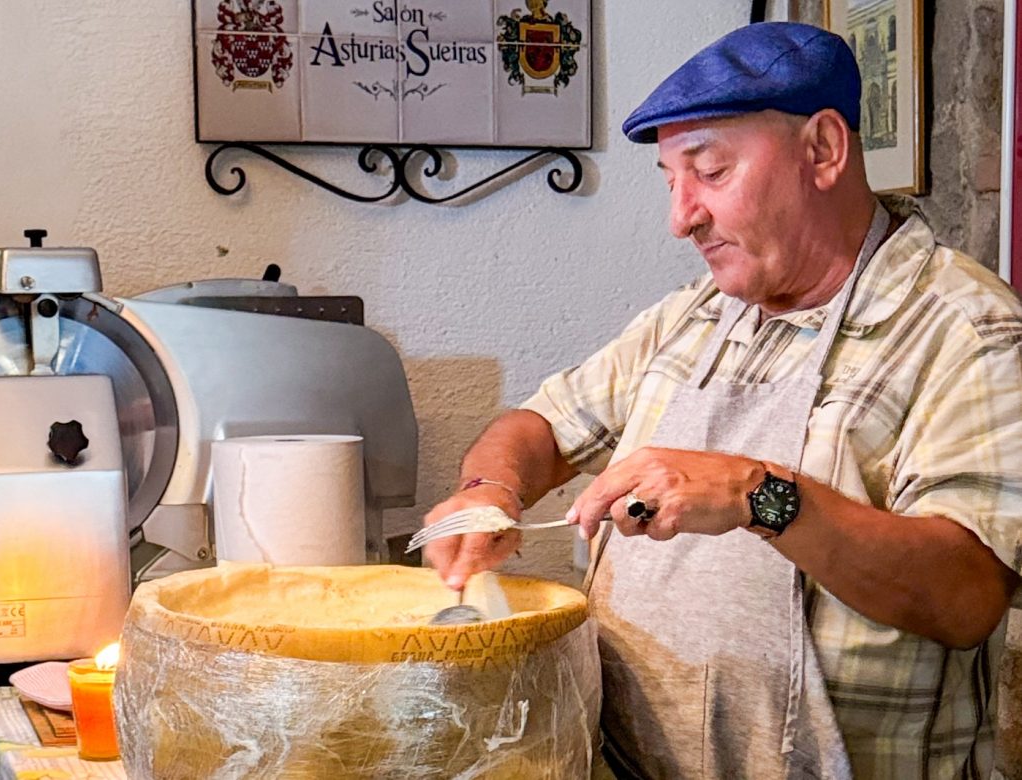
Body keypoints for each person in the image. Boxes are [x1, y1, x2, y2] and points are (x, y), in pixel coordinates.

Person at [423, 21, 1022, 779]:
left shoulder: (965, 328)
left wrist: (759, 494)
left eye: (709, 172)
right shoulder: (696, 316)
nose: (682, 218)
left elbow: (966, 597)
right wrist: (488, 492)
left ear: (824, 150)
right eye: (672, 181)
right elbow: (538, 426)